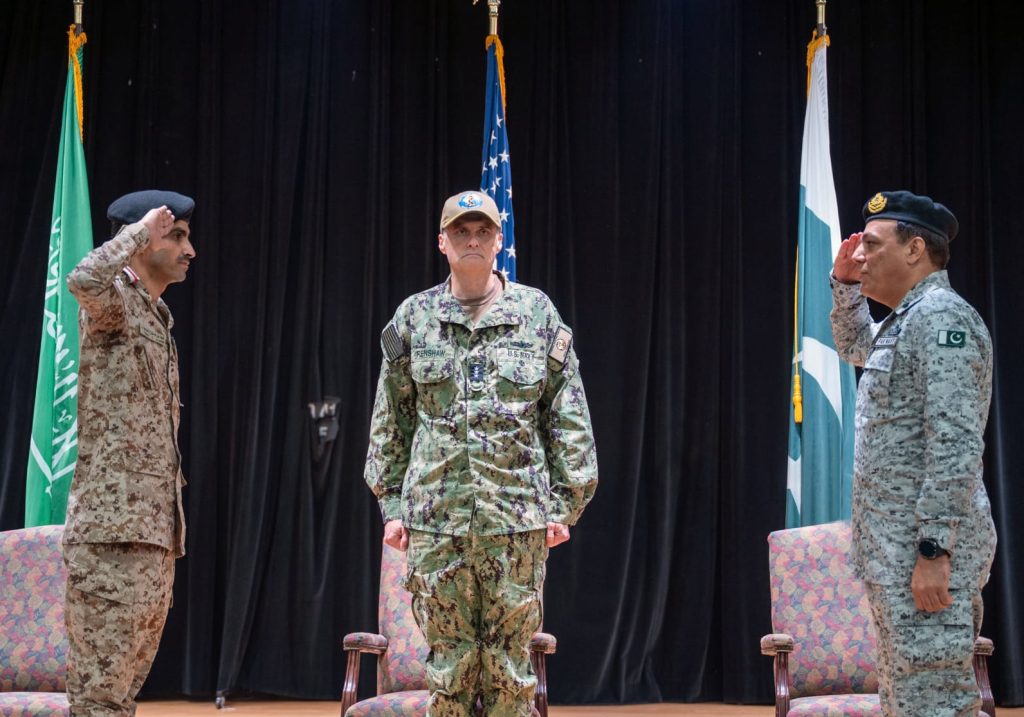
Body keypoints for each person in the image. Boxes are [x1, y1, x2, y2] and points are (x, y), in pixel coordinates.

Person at [364, 190, 598, 717]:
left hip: (514, 524)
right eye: (461, 232)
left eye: (483, 231)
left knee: (510, 676)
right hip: (436, 526)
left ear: (498, 241)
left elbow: (568, 414)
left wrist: (565, 504)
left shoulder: (535, 313)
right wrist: (392, 506)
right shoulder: (414, 317)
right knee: (448, 672)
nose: (473, 240)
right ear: (441, 242)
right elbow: (391, 420)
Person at [830, 190, 996, 717]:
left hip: (923, 556)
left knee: (934, 703)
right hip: (894, 552)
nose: (860, 255)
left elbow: (955, 442)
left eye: (872, 245)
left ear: (915, 249)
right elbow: (856, 347)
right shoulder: (907, 319)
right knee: (908, 700)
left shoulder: (942, 320)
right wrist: (845, 288)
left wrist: (933, 550)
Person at [63, 190, 196, 716]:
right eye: (177, 236)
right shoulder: (115, 303)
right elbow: (82, 279)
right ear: (141, 240)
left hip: (151, 535)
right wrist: (139, 230)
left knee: (120, 700)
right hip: (110, 538)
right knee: (99, 701)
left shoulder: (155, 314)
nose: (190, 251)